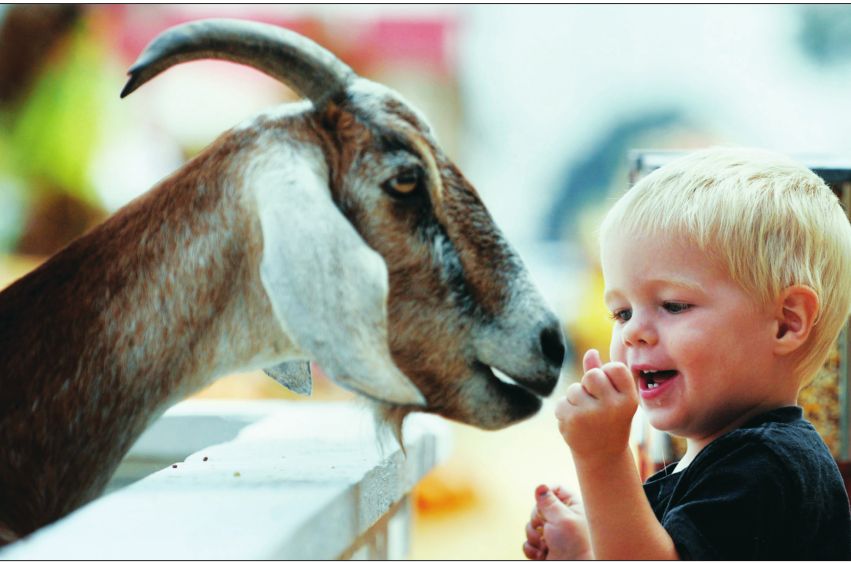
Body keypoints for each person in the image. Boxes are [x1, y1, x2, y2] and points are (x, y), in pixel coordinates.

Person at [523, 147, 851, 560]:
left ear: (786, 322)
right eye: (622, 313)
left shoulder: (767, 468)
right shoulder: (719, 463)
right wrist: (587, 550)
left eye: (673, 305)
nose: (634, 332)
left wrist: (603, 461)